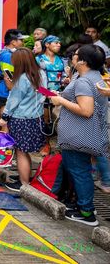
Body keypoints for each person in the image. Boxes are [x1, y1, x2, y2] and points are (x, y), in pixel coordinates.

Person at [49, 44, 109, 226]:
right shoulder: (95, 77)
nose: (73, 57)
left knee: (80, 172)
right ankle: (84, 205)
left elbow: (86, 110)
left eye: (76, 55)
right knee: (81, 170)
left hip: (78, 136)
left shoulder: (84, 81)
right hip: (86, 134)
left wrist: (60, 100)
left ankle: (86, 212)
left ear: (83, 61)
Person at [1, 47, 47, 192]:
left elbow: (14, 101)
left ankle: (24, 184)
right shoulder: (41, 74)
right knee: (25, 151)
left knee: (20, 152)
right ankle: (25, 177)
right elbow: (44, 92)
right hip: (36, 118)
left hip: (21, 119)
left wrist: (4, 117)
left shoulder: (22, 78)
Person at [0, 29, 28, 125]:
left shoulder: (4, 52)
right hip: (4, 92)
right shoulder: (8, 56)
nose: (23, 42)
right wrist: (14, 91)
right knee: (5, 123)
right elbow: (7, 77)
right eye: (21, 40)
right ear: (13, 42)